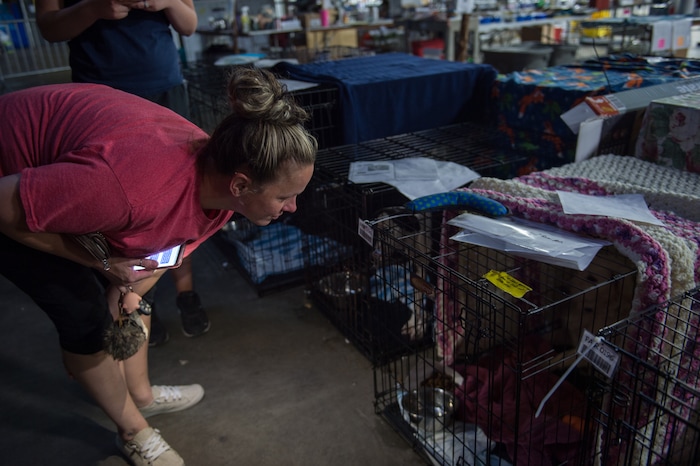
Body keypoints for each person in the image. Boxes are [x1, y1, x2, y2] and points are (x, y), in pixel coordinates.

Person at [0, 67, 316, 466]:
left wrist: (127, 286)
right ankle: (133, 431)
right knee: (82, 310)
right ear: (240, 186)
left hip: (84, 172)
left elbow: (164, 253)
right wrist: (103, 264)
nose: (293, 208)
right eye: (285, 197)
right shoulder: (128, 188)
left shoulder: (223, 184)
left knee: (126, 294)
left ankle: (142, 397)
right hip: (9, 177)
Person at [35, 0, 207, 344]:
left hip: (163, 85)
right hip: (100, 94)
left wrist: (168, 1)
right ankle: (136, 298)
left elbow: (188, 24)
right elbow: (48, 27)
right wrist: (92, 10)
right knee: (118, 205)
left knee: (180, 201)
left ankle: (183, 290)